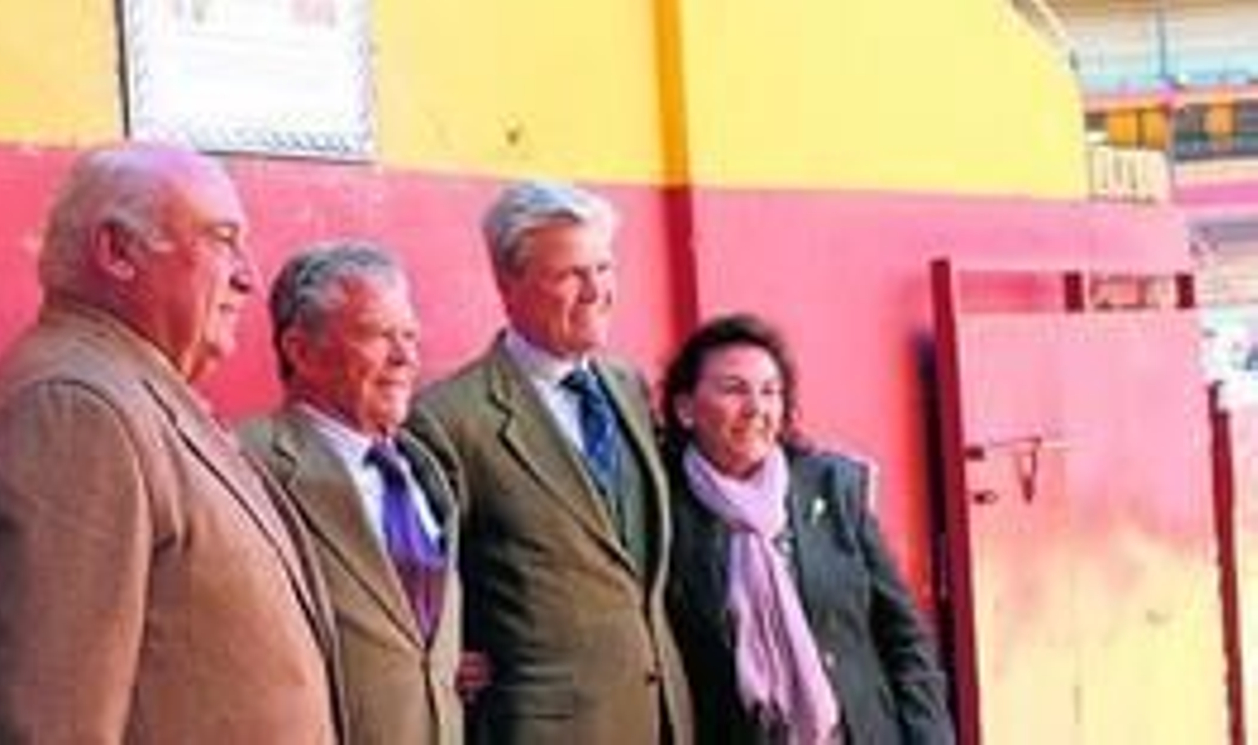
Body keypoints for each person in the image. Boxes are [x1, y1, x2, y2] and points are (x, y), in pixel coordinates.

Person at [0, 142, 339, 744]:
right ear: (118, 252)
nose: (247, 278)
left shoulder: (127, 391)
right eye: (222, 239)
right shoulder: (76, 412)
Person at [413, 181, 692, 744]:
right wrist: (448, 653)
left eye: (604, 268)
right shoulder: (448, 418)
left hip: (663, 719)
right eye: (570, 275)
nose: (596, 291)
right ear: (507, 284)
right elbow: (411, 581)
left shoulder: (629, 386)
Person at [659, 313, 954, 744]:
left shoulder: (832, 488)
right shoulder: (665, 513)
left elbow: (904, 636)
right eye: (734, 389)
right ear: (685, 409)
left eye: (770, 391)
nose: (756, 408)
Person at [241, 241, 480, 744]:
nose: (406, 357)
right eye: (377, 335)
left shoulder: (425, 466)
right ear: (301, 351)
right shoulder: (247, 463)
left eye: (409, 335)